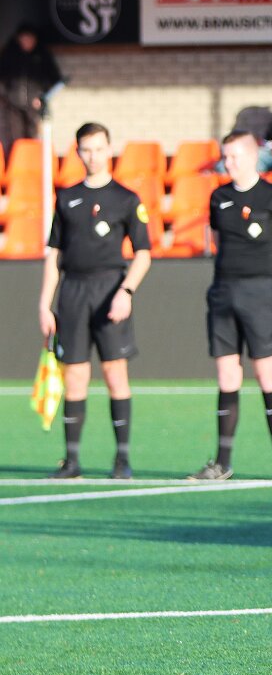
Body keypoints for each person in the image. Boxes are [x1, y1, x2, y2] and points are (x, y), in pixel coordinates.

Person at [37, 122, 151, 480]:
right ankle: (71, 461)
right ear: (78, 152)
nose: (93, 156)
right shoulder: (66, 198)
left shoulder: (126, 198)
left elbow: (143, 253)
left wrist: (126, 292)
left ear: (109, 150)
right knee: (75, 374)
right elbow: (54, 256)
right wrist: (45, 303)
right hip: (73, 291)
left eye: (99, 148)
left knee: (115, 373)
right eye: (86, 149)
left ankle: (122, 460)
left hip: (110, 289)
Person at [189, 129, 272, 481]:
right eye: (226, 156)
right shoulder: (219, 197)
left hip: (260, 294)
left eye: (235, 156)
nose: (229, 163)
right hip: (224, 293)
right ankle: (222, 462)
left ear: (253, 157)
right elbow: (217, 240)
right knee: (227, 376)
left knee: (267, 373)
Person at [0, 23, 63, 152]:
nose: (27, 42)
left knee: (33, 137)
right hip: (12, 106)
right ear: (18, 39)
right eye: (24, 38)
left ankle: (32, 161)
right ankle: (16, 162)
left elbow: (54, 79)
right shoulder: (9, 55)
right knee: (14, 140)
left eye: (30, 38)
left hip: (34, 106)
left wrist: (42, 97)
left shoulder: (42, 56)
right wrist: (6, 97)